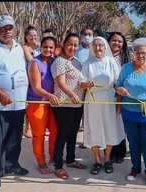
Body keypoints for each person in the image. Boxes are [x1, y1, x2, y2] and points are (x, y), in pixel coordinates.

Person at [0, 15, 29, 189]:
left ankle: (11, 164)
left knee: (14, 139)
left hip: (18, 105)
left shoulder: (19, 48)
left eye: (10, 28)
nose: (7, 31)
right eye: (3, 28)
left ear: (14, 30)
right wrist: (0, 94)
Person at [116, 38, 146, 186]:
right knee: (133, 143)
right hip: (129, 113)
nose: (141, 55)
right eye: (137, 52)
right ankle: (135, 169)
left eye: (144, 52)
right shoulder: (126, 68)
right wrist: (120, 90)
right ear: (132, 53)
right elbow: (117, 86)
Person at [80, 36, 126, 175]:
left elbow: (118, 82)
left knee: (109, 127)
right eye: (95, 45)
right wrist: (87, 84)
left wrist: (121, 96)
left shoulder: (111, 62)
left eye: (101, 45)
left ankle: (107, 159)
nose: (98, 48)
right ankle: (97, 160)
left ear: (105, 47)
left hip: (108, 98)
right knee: (94, 128)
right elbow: (81, 82)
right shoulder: (87, 63)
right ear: (92, 48)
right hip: (93, 100)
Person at [50, 33, 87, 180]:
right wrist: (72, 95)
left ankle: (70, 159)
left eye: (75, 45)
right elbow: (61, 83)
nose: (72, 47)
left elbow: (80, 80)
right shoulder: (60, 62)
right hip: (64, 103)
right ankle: (58, 165)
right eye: (70, 44)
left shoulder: (77, 61)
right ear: (64, 44)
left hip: (77, 104)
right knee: (63, 134)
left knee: (73, 133)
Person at [25, 36, 59, 174]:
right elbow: (36, 87)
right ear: (41, 47)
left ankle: (53, 156)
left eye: (51, 47)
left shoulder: (54, 62)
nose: (48, 49)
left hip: (52, 104)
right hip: (37, 103)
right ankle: (40, 161)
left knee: (55, 132)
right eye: (45, 47)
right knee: (39, 135)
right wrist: (50, 96)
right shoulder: (35, 63)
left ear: (54, 49)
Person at [107, 31, 131, 164]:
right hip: (106, 95)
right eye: (114, 40)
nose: (116, 43)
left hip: (121, 95)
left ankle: (120, 152)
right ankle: (109, 153)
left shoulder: (126, 58)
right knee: (109, 123)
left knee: (120, 124)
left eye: (120, 41)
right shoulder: (102, 56)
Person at [22, 25, 41, 139]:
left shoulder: (40, 45)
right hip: (28, 77)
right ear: (26, 36)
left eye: (35, 35)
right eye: (30, 35)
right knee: (28, 103)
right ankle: (27, 128)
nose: (33, 37)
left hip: (40, 76)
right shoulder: (24, 47)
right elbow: (31, 61)